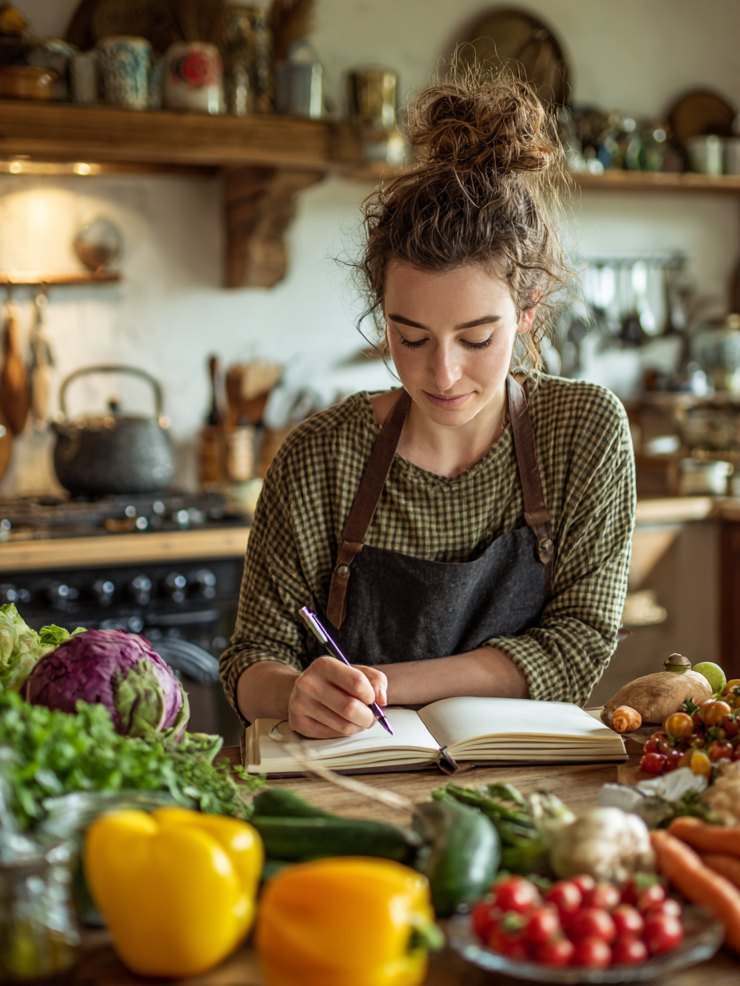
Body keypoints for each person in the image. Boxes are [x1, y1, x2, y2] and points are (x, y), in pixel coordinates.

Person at [219, 68, 636, 739]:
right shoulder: (322, 455)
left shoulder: (583, 430)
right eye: (409, 337)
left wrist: (382, 686)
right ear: (382, 316)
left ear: (528, 312)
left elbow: (579, 643)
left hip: (527, 780)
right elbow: (249, 660)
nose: (442, 373)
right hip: (348, 786)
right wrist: (292, 693)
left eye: (476, 338)